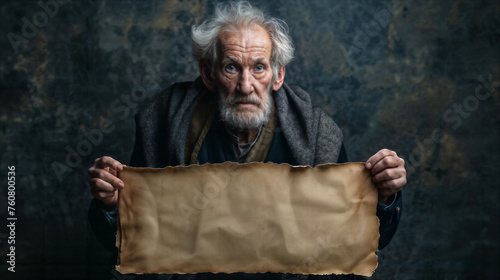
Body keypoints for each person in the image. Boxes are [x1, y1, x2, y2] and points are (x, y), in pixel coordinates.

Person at [88, 1, 406, 279]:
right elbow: (127, 241)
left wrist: (385, 197)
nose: (245, 85)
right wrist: (111, 205)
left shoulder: (319, 135)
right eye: (231, 67)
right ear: (208, 73)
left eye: (258, 68)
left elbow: (352, 241)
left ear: (278, 75)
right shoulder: (164, 123)